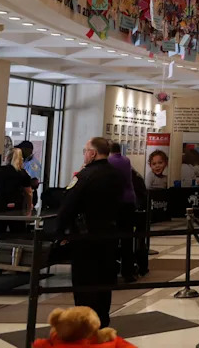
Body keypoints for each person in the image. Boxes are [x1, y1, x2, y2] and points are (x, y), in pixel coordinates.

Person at [57, 137, 123, 326]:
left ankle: (85, 323)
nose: (84, 154)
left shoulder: (84, 176)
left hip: (85, 237)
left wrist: (60, 233)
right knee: (103, 281)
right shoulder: (116, 174)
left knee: (84, 281)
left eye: (85, 151)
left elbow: (68, 205)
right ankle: (102, 320)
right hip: (109, 234)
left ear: (93, 153)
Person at [0, 147, 33, 257]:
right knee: (17, 237)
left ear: (6, 157)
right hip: (16, 210)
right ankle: (15, 260)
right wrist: (29, 208)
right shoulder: (22, 173)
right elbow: (29, 192)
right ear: (20, 159)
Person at [107, 143, 136, 282]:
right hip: (129, 202)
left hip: (116, 203)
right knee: (127, 239)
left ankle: (111, 274)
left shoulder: (109, 162)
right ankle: (128, 273)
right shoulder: (126, 160)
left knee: (112, 240)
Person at [17, 140, 43, 206]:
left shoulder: (32, 163)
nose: (20, 152)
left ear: (28, 150)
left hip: (28, 195)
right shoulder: (25, 162)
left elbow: (34, 183)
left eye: (21, 150)